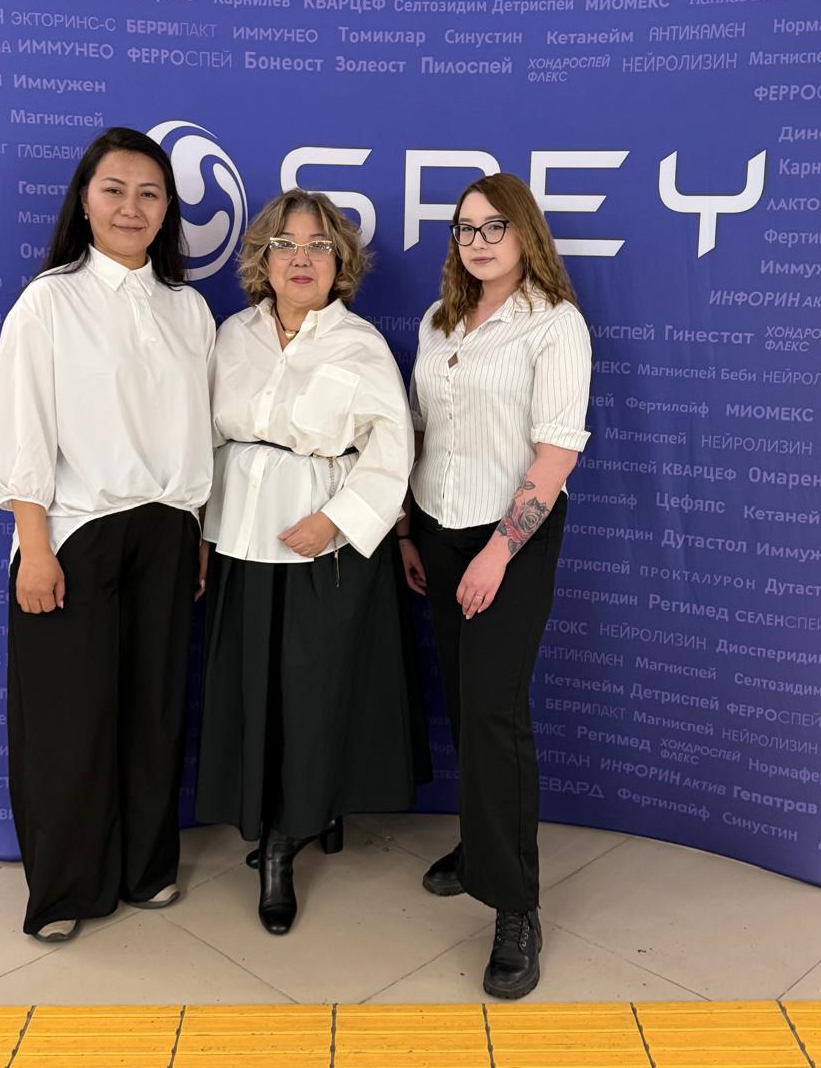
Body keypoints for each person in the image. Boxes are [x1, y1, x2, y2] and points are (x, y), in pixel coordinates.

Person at [0, 126, 214, 943]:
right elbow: (23, 428)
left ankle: (146, 866)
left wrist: (197, 533)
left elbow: (199, 434)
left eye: (150, 193)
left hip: (169, 530)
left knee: (154, 710)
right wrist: (34, 544)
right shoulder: (50, 302)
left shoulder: (188, 310)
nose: (131, 207)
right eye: (114, 190)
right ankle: (66, 890)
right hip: (75, 530)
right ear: (84, 200)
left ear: (168, 210)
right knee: (67, 720)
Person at [196, 188, 426, 934]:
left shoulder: (359, 343)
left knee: (313, 695)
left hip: (326, 549)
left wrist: (334, 521)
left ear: (341, 262)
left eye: (319, 246)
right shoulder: (232, 336)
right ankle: (275, 824)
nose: (302, 259)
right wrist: (200, 532)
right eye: (286, 245)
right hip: (242, 537)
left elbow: (392, 448)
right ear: (263, 258)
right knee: (253, 693)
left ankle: (290, 836)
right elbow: (202, 438)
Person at [398, 172, 591, 1000]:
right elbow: (420, 432)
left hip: (511, 539)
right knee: (462, 698)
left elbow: (556, 453)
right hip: (438, 534)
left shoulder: (554, 324)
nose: (477, 242)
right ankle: (480, 846)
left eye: (493, 227)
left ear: (526, 234)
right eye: (465, 228)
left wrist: (496, 554)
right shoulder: (438, 322)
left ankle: (516, 908)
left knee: (494, 713)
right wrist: (409, 531)